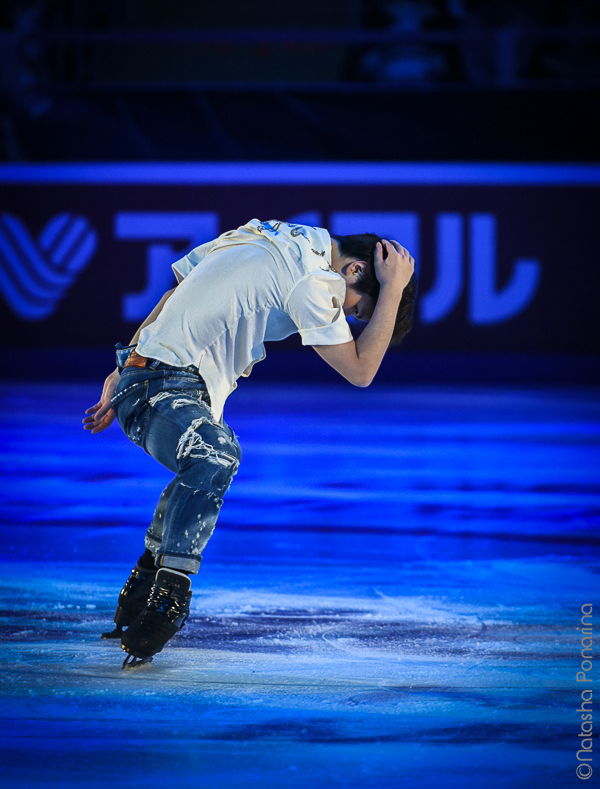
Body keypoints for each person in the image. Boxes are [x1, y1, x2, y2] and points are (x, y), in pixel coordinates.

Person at [82, 218, 416, 669]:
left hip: (156, 379)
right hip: (161, 387)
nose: (347, 317)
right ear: (355, 270)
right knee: (216, 454)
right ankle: (170, 593)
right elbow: (362, 371)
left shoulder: (266, 233)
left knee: (210, 455)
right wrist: (393, 288)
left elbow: (173, 295)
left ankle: (145, 581)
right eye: (357, 311)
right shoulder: (315, 280)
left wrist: (124, 364)